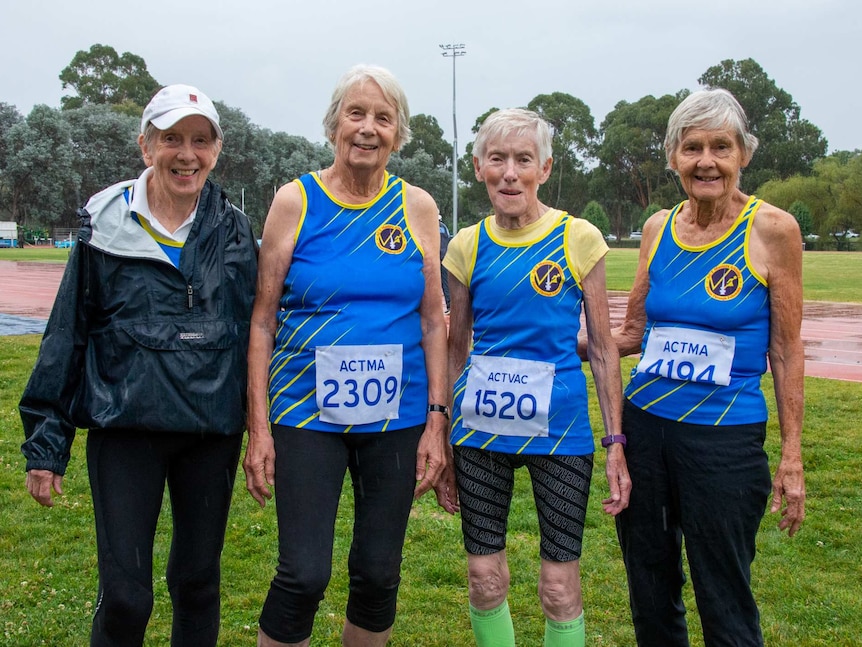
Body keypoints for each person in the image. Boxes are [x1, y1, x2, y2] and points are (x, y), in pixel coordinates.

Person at [19, 84, 258, 646]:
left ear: (217, 151)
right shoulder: (105, 229)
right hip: (124, 432)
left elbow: (258, 334)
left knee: (197, 583)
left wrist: (266, 432)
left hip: (208, 433)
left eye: (201, 140)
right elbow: (65, 335)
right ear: (145, 145)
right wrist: (47, 443)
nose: (187, 154)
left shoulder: (235, 232)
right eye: (171, 138)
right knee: (127, 596)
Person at [242, 64, 456, 647]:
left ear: (398, 133)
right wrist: (257, 428)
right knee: (303, 573)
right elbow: (261, 321)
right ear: (334, 122)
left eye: (382, 118)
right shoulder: (296, 201)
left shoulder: (418, 208)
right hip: (304, 413)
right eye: (356, 114)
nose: (367, 128)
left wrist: (437, 421)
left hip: (397, 414)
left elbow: (433, 321)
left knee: (379, 571)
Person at [608, 88, 805, 646]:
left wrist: (792, 457)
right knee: (649, 590)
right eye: (692, 147)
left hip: (725, 441)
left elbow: (788, 352)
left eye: (722, 147)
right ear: (672, 157)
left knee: (724, 596)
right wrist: (533, 342)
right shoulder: (656, 228)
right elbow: (630, 334)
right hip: (645, 430)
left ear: (744, 154)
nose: (707, 161)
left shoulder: (773, 230)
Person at [444, 108, 631, 647]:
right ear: (478, 167)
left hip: (562, 435)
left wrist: (615, 443)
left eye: (523, 159)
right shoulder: (465, 246)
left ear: (544, 168)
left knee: (558, 588)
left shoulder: (579, 238)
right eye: (497, 159)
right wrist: (442, 431)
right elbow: (456, 350)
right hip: (479, 435)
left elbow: (601, 349)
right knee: (484, 579)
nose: (509, 172)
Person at [439, 214, 452, 312]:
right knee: (446, 283)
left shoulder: (430, 227)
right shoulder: (444, 227)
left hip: (435, 257)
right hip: (445, 256)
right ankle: (450, 305)